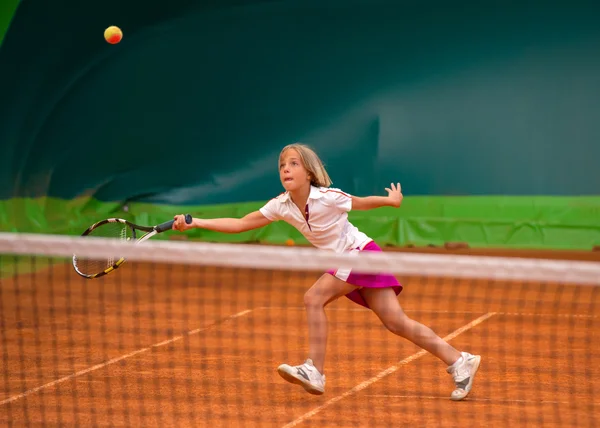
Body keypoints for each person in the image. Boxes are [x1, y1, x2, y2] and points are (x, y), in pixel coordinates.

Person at [172, 143, 481, 401]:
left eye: (293, 163)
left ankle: (314, 371)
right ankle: (459, 361)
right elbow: (241, 223)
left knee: (313, 298)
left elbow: (360, 203)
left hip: (359, 254)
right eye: (282, 165)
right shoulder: (281, 206)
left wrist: (391, 201)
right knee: (396, 322)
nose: (286, 169)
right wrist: (196, 222)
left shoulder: (328, 197)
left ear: (308, 172)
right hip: (357, 258)